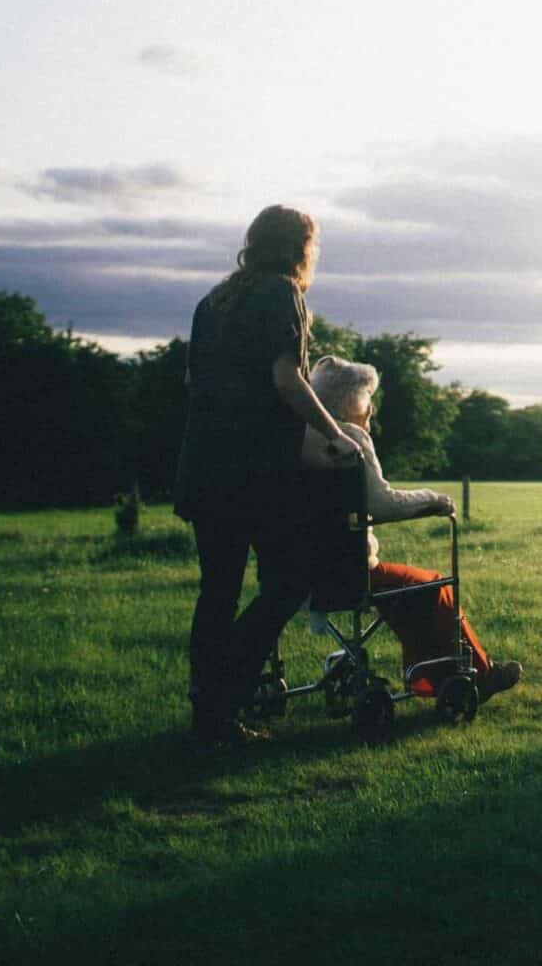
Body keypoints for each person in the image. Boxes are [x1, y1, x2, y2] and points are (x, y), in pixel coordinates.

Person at [174, 204, 362, 746]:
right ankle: (223, 692)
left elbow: (194, 381)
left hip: (204, 465)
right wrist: (335, 433)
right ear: (301, 247)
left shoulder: (214, 300)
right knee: (288, 582)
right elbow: (287, 380)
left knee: (218, 592)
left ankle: (209, 712)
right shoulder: (282, 294)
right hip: (254, 472)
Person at [300, 355, 522, 703]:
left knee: (410, 590)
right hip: (348, 571)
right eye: (367, 398)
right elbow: (383, 504)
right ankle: (478, 674)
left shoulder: (303, 437)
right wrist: (434, 499)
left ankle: (433, 677)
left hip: (305, 568)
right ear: (349, 402)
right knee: (434, 586)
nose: (371, 409)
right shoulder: (350, 438)